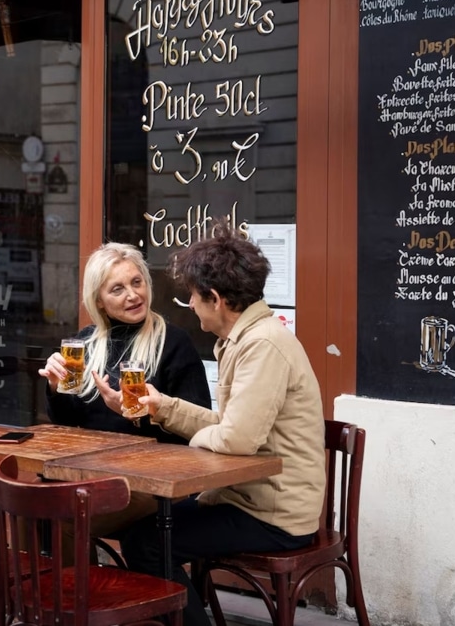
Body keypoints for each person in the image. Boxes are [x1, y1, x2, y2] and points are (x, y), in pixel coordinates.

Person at [117, 224, 326, 626]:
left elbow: (238, 437)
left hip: (274, 514)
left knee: (147, 542)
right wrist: (162, 406)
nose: (190, 305)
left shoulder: (262, 345)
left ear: (216, 299)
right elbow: (230, 427)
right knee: (145, 534)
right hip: (248, 499)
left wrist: (200, 439)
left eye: (194, 297)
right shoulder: (246, 338)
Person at [38, 241, 212, 549]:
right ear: (100, 301)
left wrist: (139, 413)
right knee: (28, 505)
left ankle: (75, 596)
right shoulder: (85, 344)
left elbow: (198, 429)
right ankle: (44, 596)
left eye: (137, 282)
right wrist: (56, 386)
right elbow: (68, 422)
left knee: (61, 515)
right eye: (117, 289)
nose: (133, 295)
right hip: (93, 475)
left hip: (154, 483)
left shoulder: (173, 343)